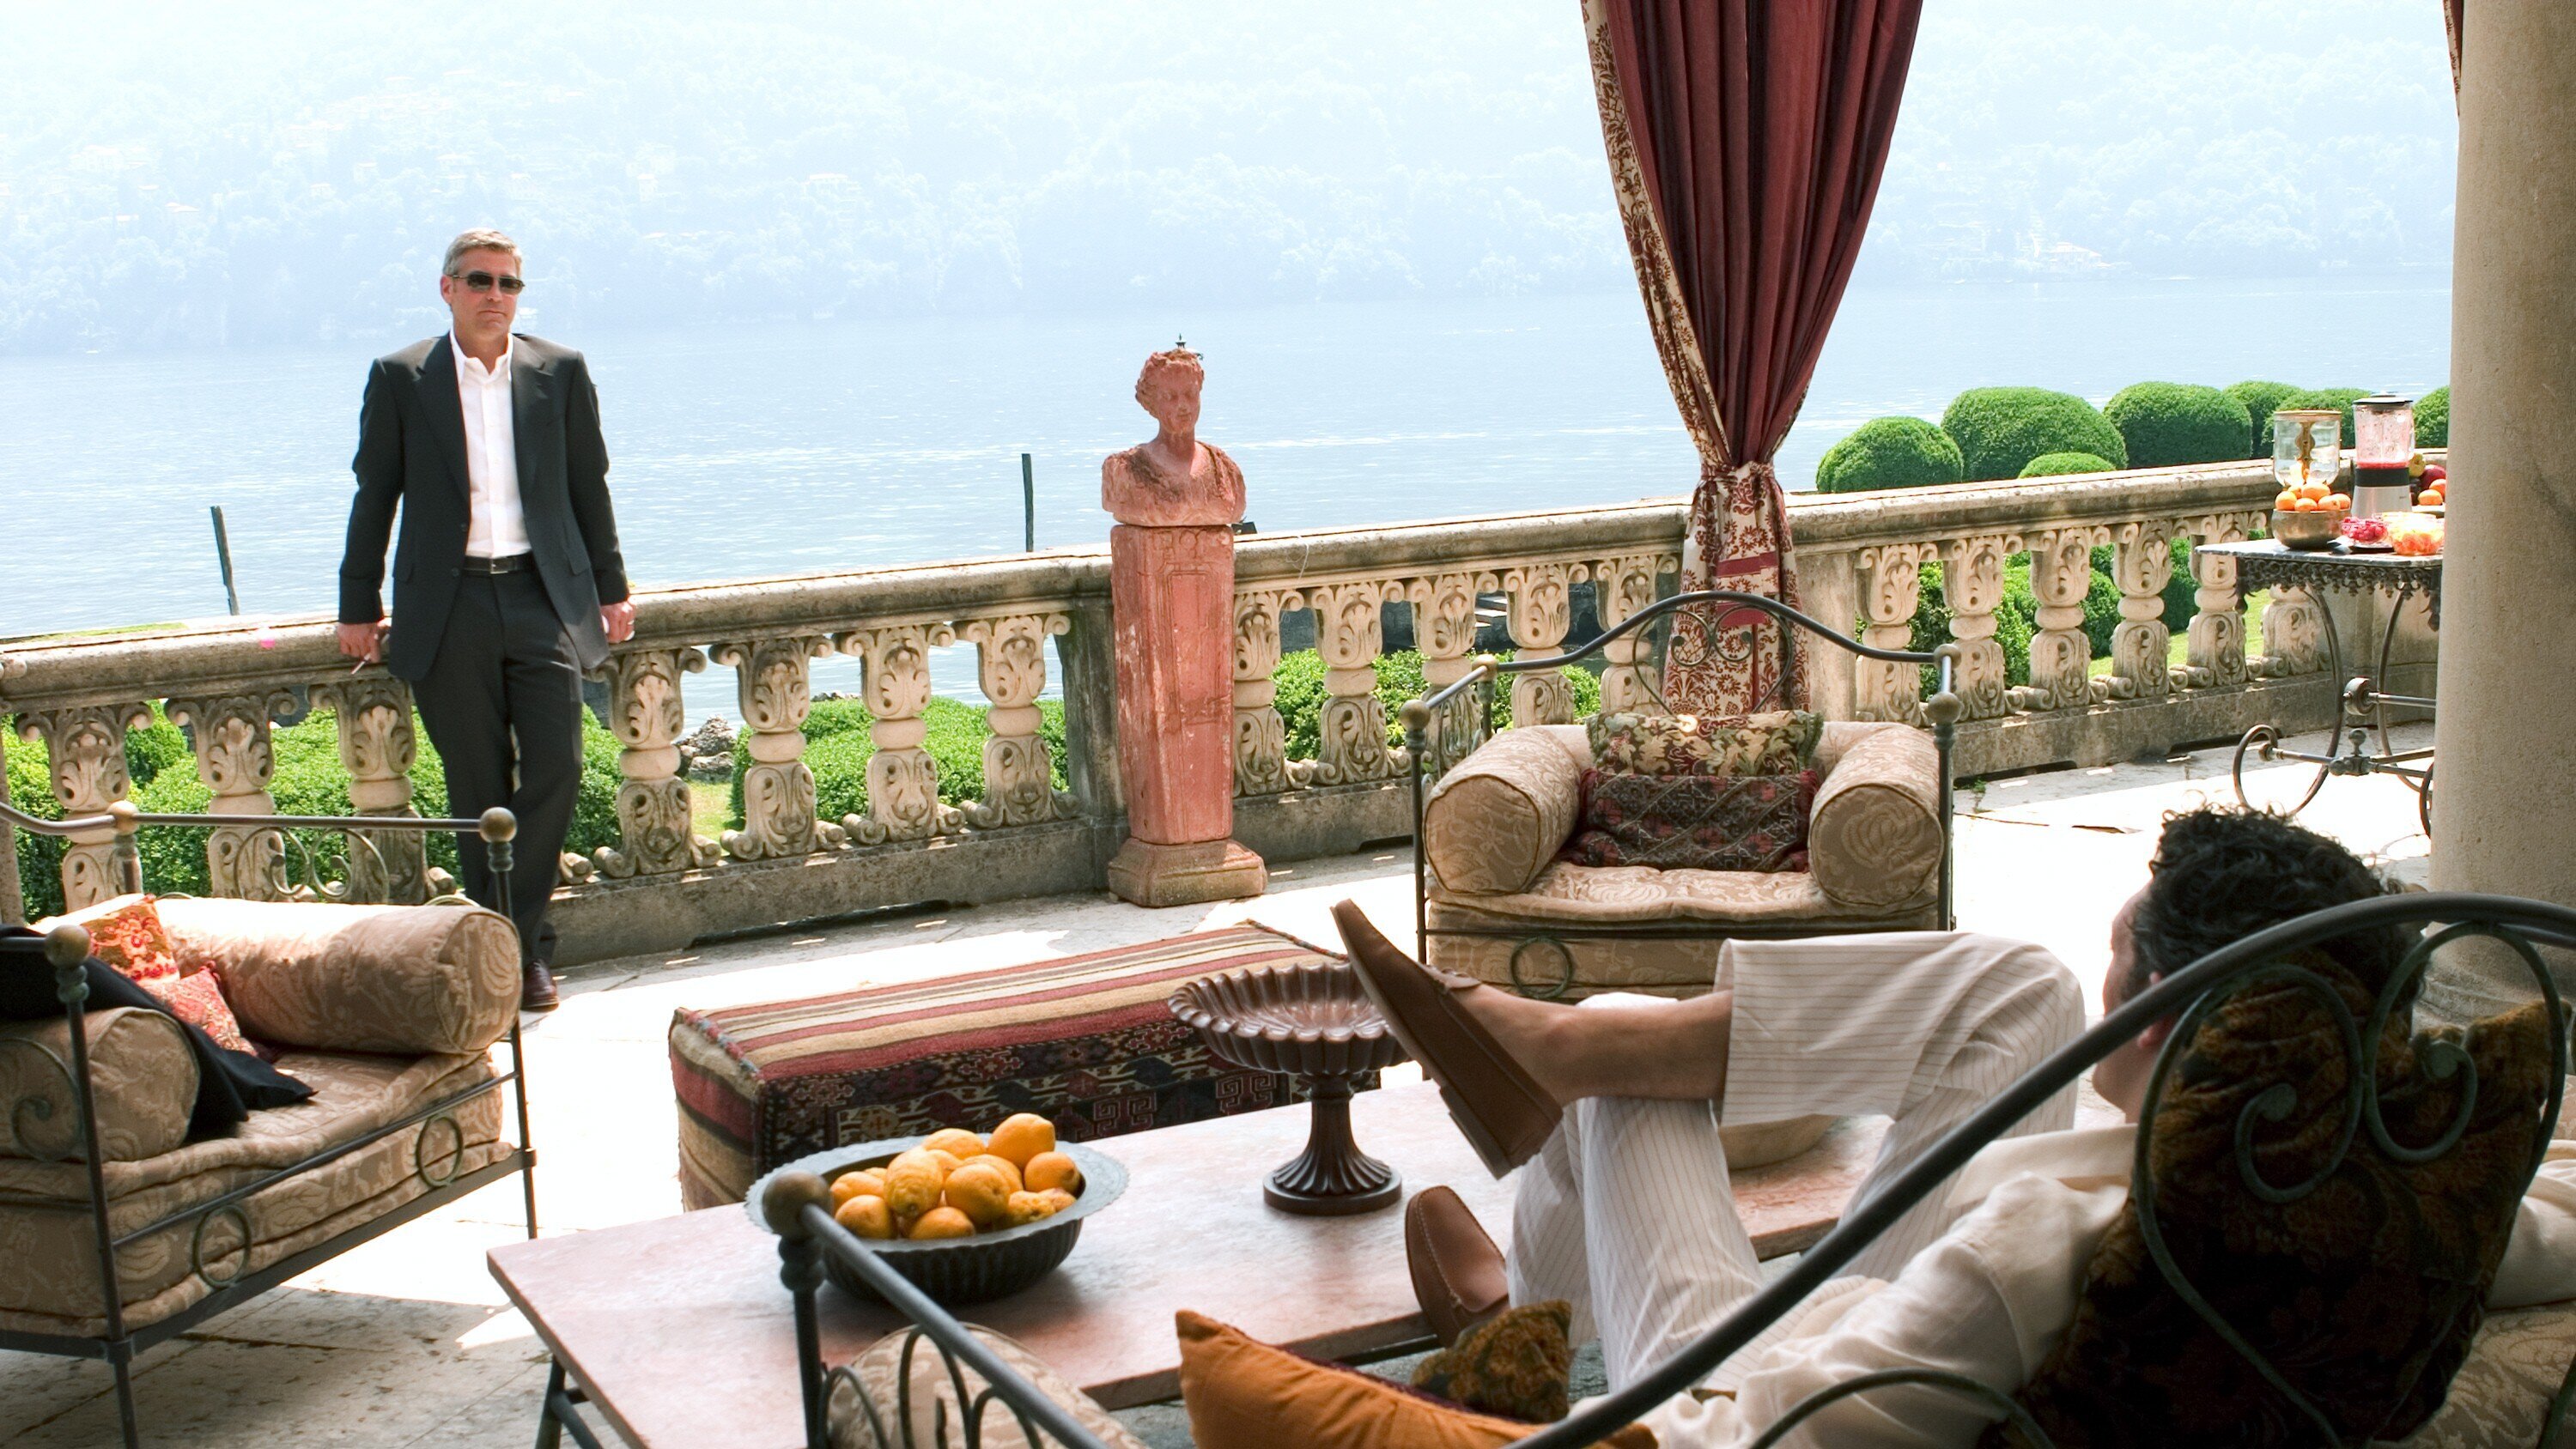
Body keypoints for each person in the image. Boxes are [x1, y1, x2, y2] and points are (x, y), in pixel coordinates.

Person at [1336, 807, 2576, 1447]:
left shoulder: (2038, 1243)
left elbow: (1758, 1436)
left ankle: (1527, 1312)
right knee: (2025, 988)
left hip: (1750, 1374)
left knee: (1626, 1061)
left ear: (2156, 1018)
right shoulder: (2401, 1198)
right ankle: (1537, 1196)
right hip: (1894, 1314)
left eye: (2120, 954)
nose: (2103, 976)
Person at [337, 228, 634, 1012]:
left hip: (542, 595)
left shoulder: (558, 371)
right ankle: (520, 959)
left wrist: (612, 588)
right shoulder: (402, 377)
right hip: (449, 603)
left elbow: (589, 485)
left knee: (559, 767)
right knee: (477, 791)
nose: (495, 296)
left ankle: (510, 939)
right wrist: (357, 602)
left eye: (509, 283)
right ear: (448, 289)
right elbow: (375, 492)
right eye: (480, 280)